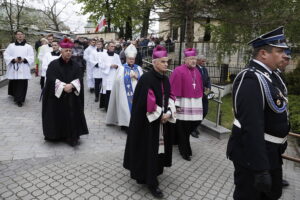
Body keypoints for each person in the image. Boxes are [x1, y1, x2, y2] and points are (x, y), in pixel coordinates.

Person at [226, 26, 290, 200]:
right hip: (252, 156)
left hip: (270, 152)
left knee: (272, 194)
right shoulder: (251, 78)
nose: (285, 55)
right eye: (279, 51)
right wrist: (261, 169)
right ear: (263, 53)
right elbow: (252, 127)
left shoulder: (272, 76)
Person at [123, 45, 176, 198]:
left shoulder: (165, 79)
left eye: (167, 62)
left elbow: (171, 96)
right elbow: (147, 102)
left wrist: (169, 112)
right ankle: (151, 183)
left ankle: (153, 173)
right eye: (163, 62)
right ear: (154, 63)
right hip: (147, 124)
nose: (166, 64)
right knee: (149, 150)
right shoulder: (146, 79)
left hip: (161, 122)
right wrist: (161, 114)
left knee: (158, 152)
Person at [42, 38, 88, 147]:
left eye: (70, 51)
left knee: (72, 116)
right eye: (66, 50)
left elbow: (80, 78)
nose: (68, 53)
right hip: (56, 98)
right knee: (57, 115)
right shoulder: (53, 64)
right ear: (61, 51)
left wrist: (71, 85)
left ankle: (72, 136)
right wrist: (62, 86)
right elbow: (50, 78)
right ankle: (56, 135)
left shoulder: (76, 65)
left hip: (72, 96)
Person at [169, 48, 204, 161]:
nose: (194, 61)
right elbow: (174, 89)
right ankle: (185, 150)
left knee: (192, 125)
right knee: (183, 128)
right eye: (191, 59)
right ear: (185, 60)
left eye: (195, 58)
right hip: (183, 103)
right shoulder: (178, 70)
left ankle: (178, 142)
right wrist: (176, 104)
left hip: (195, 104)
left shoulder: (197, 71)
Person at [106, 44, 143, 130]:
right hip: (124, 93)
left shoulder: (139, 68)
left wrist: (137, 77)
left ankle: (133, 124)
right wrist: (128, 77)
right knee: (125, 108)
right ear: (126, 58)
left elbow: (143, 80)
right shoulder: (122, 68)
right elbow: (117, 81)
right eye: (130, 59)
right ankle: (125, 125)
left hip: (136, 93)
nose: (131, 60)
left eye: (133, 59)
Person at [4, 30, 34, 107]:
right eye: (18, 34)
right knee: (15, 83)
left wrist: (24, 59)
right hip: (14, 67)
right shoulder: (11, 46)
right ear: (16, 36)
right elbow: (6, 55)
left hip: (24, 67)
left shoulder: (28, 46)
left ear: (24, 36)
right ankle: (16, 96)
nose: (20, 35)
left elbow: (31, 57)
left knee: (22, 83)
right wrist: (14, 59)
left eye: (21, 34)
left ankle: (20, 100)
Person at [191, 54, 211, 138]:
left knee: (205, 111)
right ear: (198, 61)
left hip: (205, 94)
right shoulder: (194, 69)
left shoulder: (205, 70)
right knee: (196, 112)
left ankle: (195, 126)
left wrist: (209, 88)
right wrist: (203, 88)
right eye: (202, 61)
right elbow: (195, 81)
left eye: (204, 61)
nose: (204, 62)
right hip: (197, 94)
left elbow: (208, 80)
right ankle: (192, 129)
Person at [99, 42, 122, 111]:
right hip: (107, 75)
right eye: (111, 46)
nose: (113, 48)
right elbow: (100, 65)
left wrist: (117, 66)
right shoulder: (103, 55)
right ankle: (107, 107)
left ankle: (113, 107)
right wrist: (109, 66)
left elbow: (120, 65)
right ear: (108, 47)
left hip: (114, 75)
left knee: (113, 91)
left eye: (114, 46)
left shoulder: (117, 56)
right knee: (107, 91)